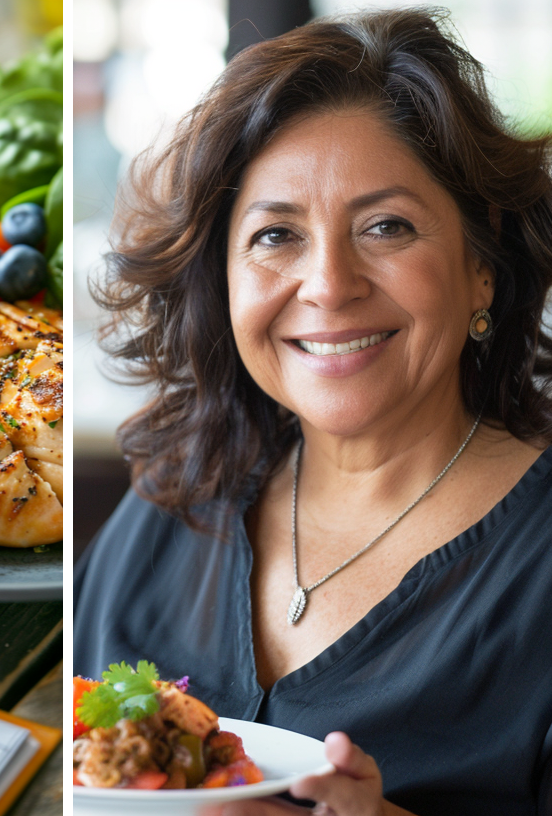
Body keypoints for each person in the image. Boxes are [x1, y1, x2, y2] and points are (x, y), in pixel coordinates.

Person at [74, 8, 552, 815]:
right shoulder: (178, 493)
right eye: (275, 236)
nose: (328, 284)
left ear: (482, 267)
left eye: (386, 227)